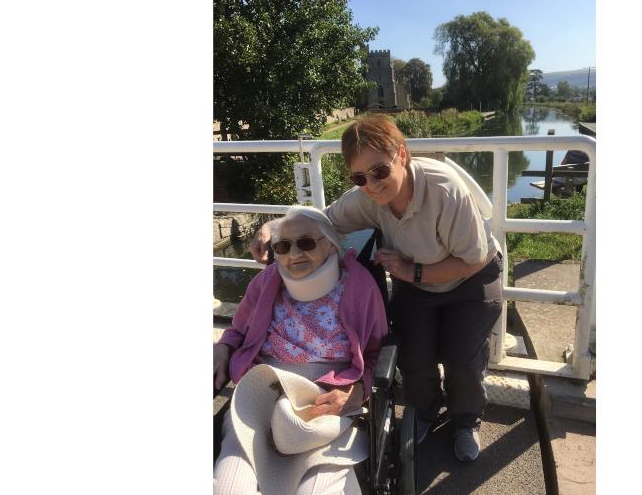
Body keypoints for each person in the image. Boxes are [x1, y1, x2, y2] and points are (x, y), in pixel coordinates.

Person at [249, 115, 503, 462]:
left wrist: (411, 271)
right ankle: (425, 414)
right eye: (359, 177)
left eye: (379, 171)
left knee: (463, 361)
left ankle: (465, 421)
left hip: (471, 277)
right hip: (417, 283)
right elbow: (319, 220)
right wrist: (273, 228)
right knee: (412, 359)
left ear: (402, 154)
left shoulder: (444, 189)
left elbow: (473, 258)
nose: (371, 184)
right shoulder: (367, 198)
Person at [213, 206, 388, 495]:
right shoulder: (264, 282)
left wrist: (358, 390)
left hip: (324, 401)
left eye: (306, 243)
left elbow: (377, 354)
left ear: (331, 245)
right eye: (283, 246)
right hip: (260, 393)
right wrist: (224, 348)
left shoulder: (359, 287)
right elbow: (237, 331)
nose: (294, 255)